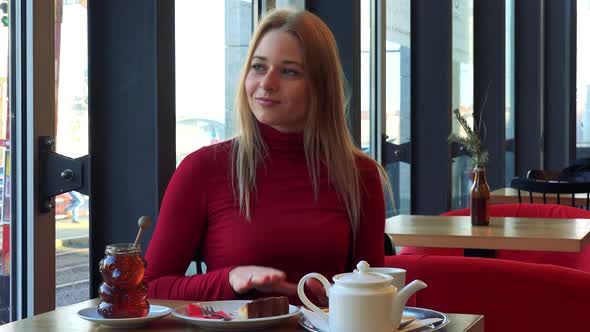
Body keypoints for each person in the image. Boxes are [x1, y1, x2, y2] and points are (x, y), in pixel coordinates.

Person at [144, 8, 390, 303]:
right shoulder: (203, 168)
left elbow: (373, 295)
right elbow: (150, 288)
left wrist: (331, 296)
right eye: (259, 67)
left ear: (320, 86)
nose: (267, 83)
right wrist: (231, 279)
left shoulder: (358, 174)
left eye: (289, 71)